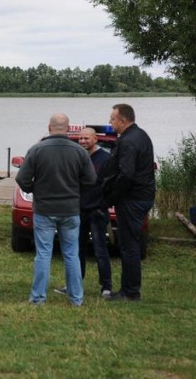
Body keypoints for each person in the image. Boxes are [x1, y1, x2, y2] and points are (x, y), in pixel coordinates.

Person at [15, 113, 96, 306]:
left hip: (44, 208)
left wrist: (34, 189)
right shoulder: (80, 152)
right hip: (70, 210)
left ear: (49, 128)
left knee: (43, 253)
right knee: (72, 254)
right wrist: (76, 192)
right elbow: (91, 181)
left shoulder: (36, 150)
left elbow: (21, 179)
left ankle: (38, 297)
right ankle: (76, 298)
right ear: (68, 129)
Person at [103, 103, 155, 302]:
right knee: (129, 243)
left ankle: (130, 292)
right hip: (142, 196)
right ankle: (128, 289)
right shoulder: (140, 135)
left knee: (129, 245)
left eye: (112, 119)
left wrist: (112, 197)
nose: (110, 122)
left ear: (122, 120)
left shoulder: (128, 141)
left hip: (133, 198)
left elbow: (126, 174)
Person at [54, 127, 112, 298]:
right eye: (80, 139)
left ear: (95, 139)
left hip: (97, 212)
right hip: (78, 210)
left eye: (86, 138)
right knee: (76, 250)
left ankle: (106, 287)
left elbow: (109, 186)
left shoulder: (105, 159)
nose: (83, 141)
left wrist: (103, 206)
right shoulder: (77, 156)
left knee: (100, 249)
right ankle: (74, 285)